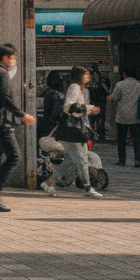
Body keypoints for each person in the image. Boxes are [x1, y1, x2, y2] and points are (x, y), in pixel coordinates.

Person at [0, 43, 37, 213]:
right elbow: (5, 98)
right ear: (5, 58)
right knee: (14, 157)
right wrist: (22, 115)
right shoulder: (1, 73)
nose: (14, 62)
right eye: (13, 58)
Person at [40, 66, 103, 198]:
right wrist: (88, 108)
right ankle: (87, 188)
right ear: (79, 76)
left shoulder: (78, 88)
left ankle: (49, 182)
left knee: (71, 160)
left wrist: (89, 109)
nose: (89, 76)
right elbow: (67, 107)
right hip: (74, 131)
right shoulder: (74, 87)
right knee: (82, 159)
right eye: (86, 74)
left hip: (73, 131)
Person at [108, 65, 140, 167]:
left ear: (125, 73)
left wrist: (110, 98)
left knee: (121, 139)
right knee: (137, 139)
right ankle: (137, 160)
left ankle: (122, 160)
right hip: (135, 116)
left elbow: (115, 98)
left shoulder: (120, 85)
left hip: (122, 116)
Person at [39, 71, 65, 137]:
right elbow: (56, 114)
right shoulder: (54, 95)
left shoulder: (49, 93)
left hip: (48, 125)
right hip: (53, 126)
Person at [88, 64, 110, 142]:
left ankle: (95, 135)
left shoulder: (92, 85)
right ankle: (99, 135)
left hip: (95, 103)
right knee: (99, 120)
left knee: (95, 120)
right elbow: (106, 92)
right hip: (99, 104)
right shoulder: (101, 84)